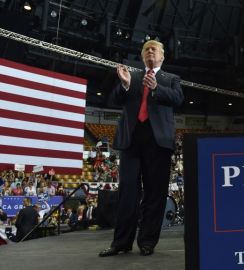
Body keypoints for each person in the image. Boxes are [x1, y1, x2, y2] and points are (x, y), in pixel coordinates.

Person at [99, 39, 184, 257]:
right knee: (127, 191)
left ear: (162, 56)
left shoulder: (171, 79)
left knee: (155, 195)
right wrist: (125, 85)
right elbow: (114, 99)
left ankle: (147, 241)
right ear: (142, 55)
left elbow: (178, 99)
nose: (150, 51)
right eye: (146, 49)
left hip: (159, 143)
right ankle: (121, 242)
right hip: (131, 142)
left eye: (154, 48)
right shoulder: (132, 76)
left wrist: (157, 88)